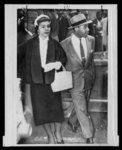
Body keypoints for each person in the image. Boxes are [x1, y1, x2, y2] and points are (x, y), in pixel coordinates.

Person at [18, 14, 67, 144]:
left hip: (52, 83)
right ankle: (50, 136)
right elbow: (15, 57)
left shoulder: (55, 44)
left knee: (56, 112)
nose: (46, 29)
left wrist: (56, 64)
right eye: (43, 27)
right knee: (42, 114)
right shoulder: (29, 44)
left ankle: (57, 132)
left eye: (48, 26)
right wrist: (23, 74)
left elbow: (63, 59)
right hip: (36, 84)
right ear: (37, 28)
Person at [61, 13, 95, 144]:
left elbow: (90, 62)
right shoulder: (64, 44)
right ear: (75, 29)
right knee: (82, 109)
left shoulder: (91, 40)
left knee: (82, 105)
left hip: (88, 79)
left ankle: (71, 121)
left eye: (87, 27)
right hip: (74, 81)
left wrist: (92, 75)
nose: (88, 30)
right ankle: (89, 135)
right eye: (84, 27)